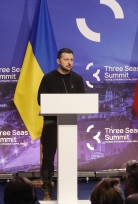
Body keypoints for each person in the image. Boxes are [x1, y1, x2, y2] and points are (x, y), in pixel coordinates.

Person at [37, 48, 85, 200]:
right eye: (66, 60)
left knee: (69, 156)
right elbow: (41, 100)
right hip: (51, 122)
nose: (69, 62)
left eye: (71, 59)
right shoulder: (48, 78)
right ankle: (47, 189)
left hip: (69, 123)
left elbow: (82, 100)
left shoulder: (77, 79)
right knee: (48, 158)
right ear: (58, 61)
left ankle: (68, 189)